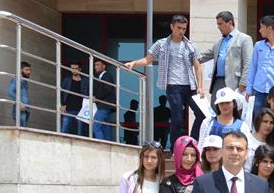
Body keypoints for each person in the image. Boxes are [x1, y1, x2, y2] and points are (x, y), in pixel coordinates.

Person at [124, 14, 207, 145]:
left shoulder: (190, 46)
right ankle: (175, 148)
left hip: (190, 87)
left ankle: (193, 142)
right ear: (172, 27)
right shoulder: (161, 44)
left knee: (202, 114)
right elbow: (147, 60)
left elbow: (197, 67)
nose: (181, 31)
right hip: (173, 87)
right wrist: (134, 63)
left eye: (184, 29)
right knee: (177, 119)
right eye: (179, 28)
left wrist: (200, 87)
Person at [197, 11, 253, 106]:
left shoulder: (244, 39)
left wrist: (243, 83)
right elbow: (203, 56)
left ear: (230, 23)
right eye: (217, 24)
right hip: (217, 82)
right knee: (215, 109)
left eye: (220, 24)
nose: (218, 27)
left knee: (233, 110)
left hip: (235, 83)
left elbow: (248, 62)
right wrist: (188, 59)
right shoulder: (219, 42)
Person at [60, 60, 88, 136]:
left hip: (81, 110)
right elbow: (61, 93)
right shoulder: (67, 80)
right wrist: (62, 104)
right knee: (64, 130)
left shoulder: (85, 81)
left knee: (80, 132)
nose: (74, 70)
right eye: (72, 68)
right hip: (68, 109)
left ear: (80, 69)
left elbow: (88, 94)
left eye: (76, 68)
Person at [92, 58, 117, 142]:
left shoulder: (106, 75)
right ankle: (107, 143)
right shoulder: (101, 76)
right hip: (105, 106)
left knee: (96, 125)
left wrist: (96, 97)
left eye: (98, 65)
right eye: (95, 65)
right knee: (105, 127)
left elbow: (107, 89)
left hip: (105, 105)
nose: (96, 67)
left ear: (104, 66)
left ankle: (101, 143)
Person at [8, 61, 31, 127]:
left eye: (29, 70)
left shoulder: (24, 81)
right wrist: (20, 103)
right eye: (26, 70)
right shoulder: (16, 79)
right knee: (21, 129)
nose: (29, 72)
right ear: (21, 70)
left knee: (23, 129)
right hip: (20, 109)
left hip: (25, 109)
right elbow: (10, 91)